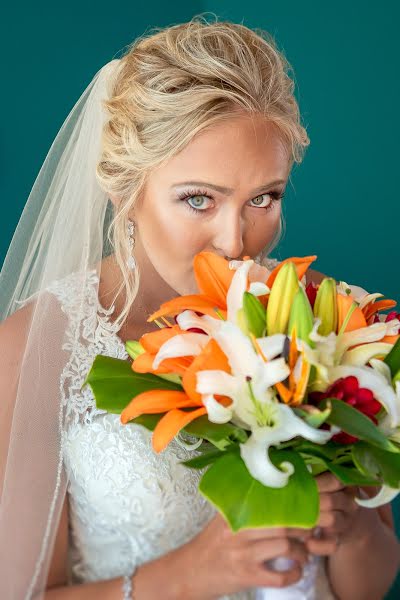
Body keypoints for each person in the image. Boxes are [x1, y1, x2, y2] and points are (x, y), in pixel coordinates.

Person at [0, 14, 399, 600]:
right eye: (198, 199)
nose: (236, 242)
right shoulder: (35, 347)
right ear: (125, 189)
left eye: (264, 197)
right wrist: (196, 572)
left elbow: (365, 586)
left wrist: (354, 527)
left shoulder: (328, 318)